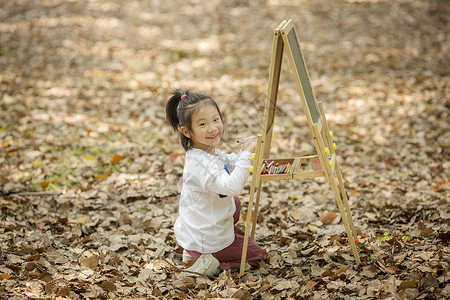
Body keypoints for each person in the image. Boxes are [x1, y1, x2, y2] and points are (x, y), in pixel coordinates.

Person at [166, 89, 264, 278]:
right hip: (206, 237)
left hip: (199, 229)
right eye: (203, 124)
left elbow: (230, 160)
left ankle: (197, 252)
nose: (213, 128)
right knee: (254, 255)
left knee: (234, 203)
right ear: (186, 131)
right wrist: (246, 155)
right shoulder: (202, 165)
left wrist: (245, 153)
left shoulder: (206, 152)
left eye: (215, 120)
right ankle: (211, 263)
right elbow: (232, 187)